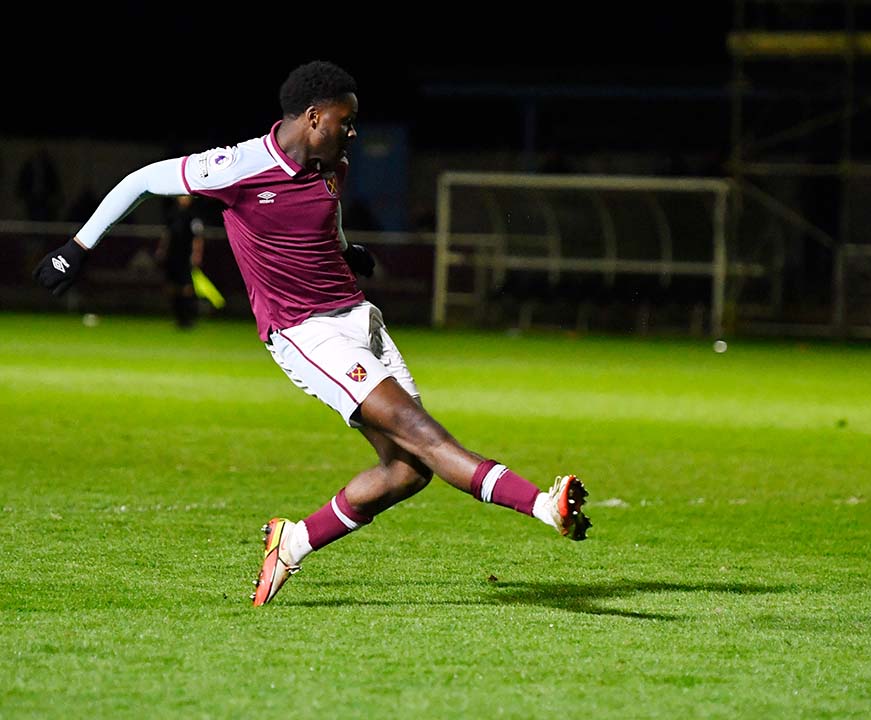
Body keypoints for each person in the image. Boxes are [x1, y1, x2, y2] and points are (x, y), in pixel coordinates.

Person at [32, 60, 592, 607]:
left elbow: (326, 214)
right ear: (313, 116)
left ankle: (293, 542)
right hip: (305, 333)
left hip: (357, 317)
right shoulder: (239, 166)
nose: (353, 132)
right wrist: (77, 248)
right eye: (345, 121)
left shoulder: (334, 164)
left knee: (406, 470)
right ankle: (545, 506)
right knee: (421, 431)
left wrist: (349, 251)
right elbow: (141, 180)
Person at [156, 195, 207, 329]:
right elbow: (167, 234)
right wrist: (162, 250)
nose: (183, 199)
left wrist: (196, 255)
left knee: (186, 287)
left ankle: (188, 318)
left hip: (185, 256)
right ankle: (177, 317)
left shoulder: (193, 217)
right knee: (172, 287)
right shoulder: (172, 215)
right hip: (173, 256)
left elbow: (198, 238)